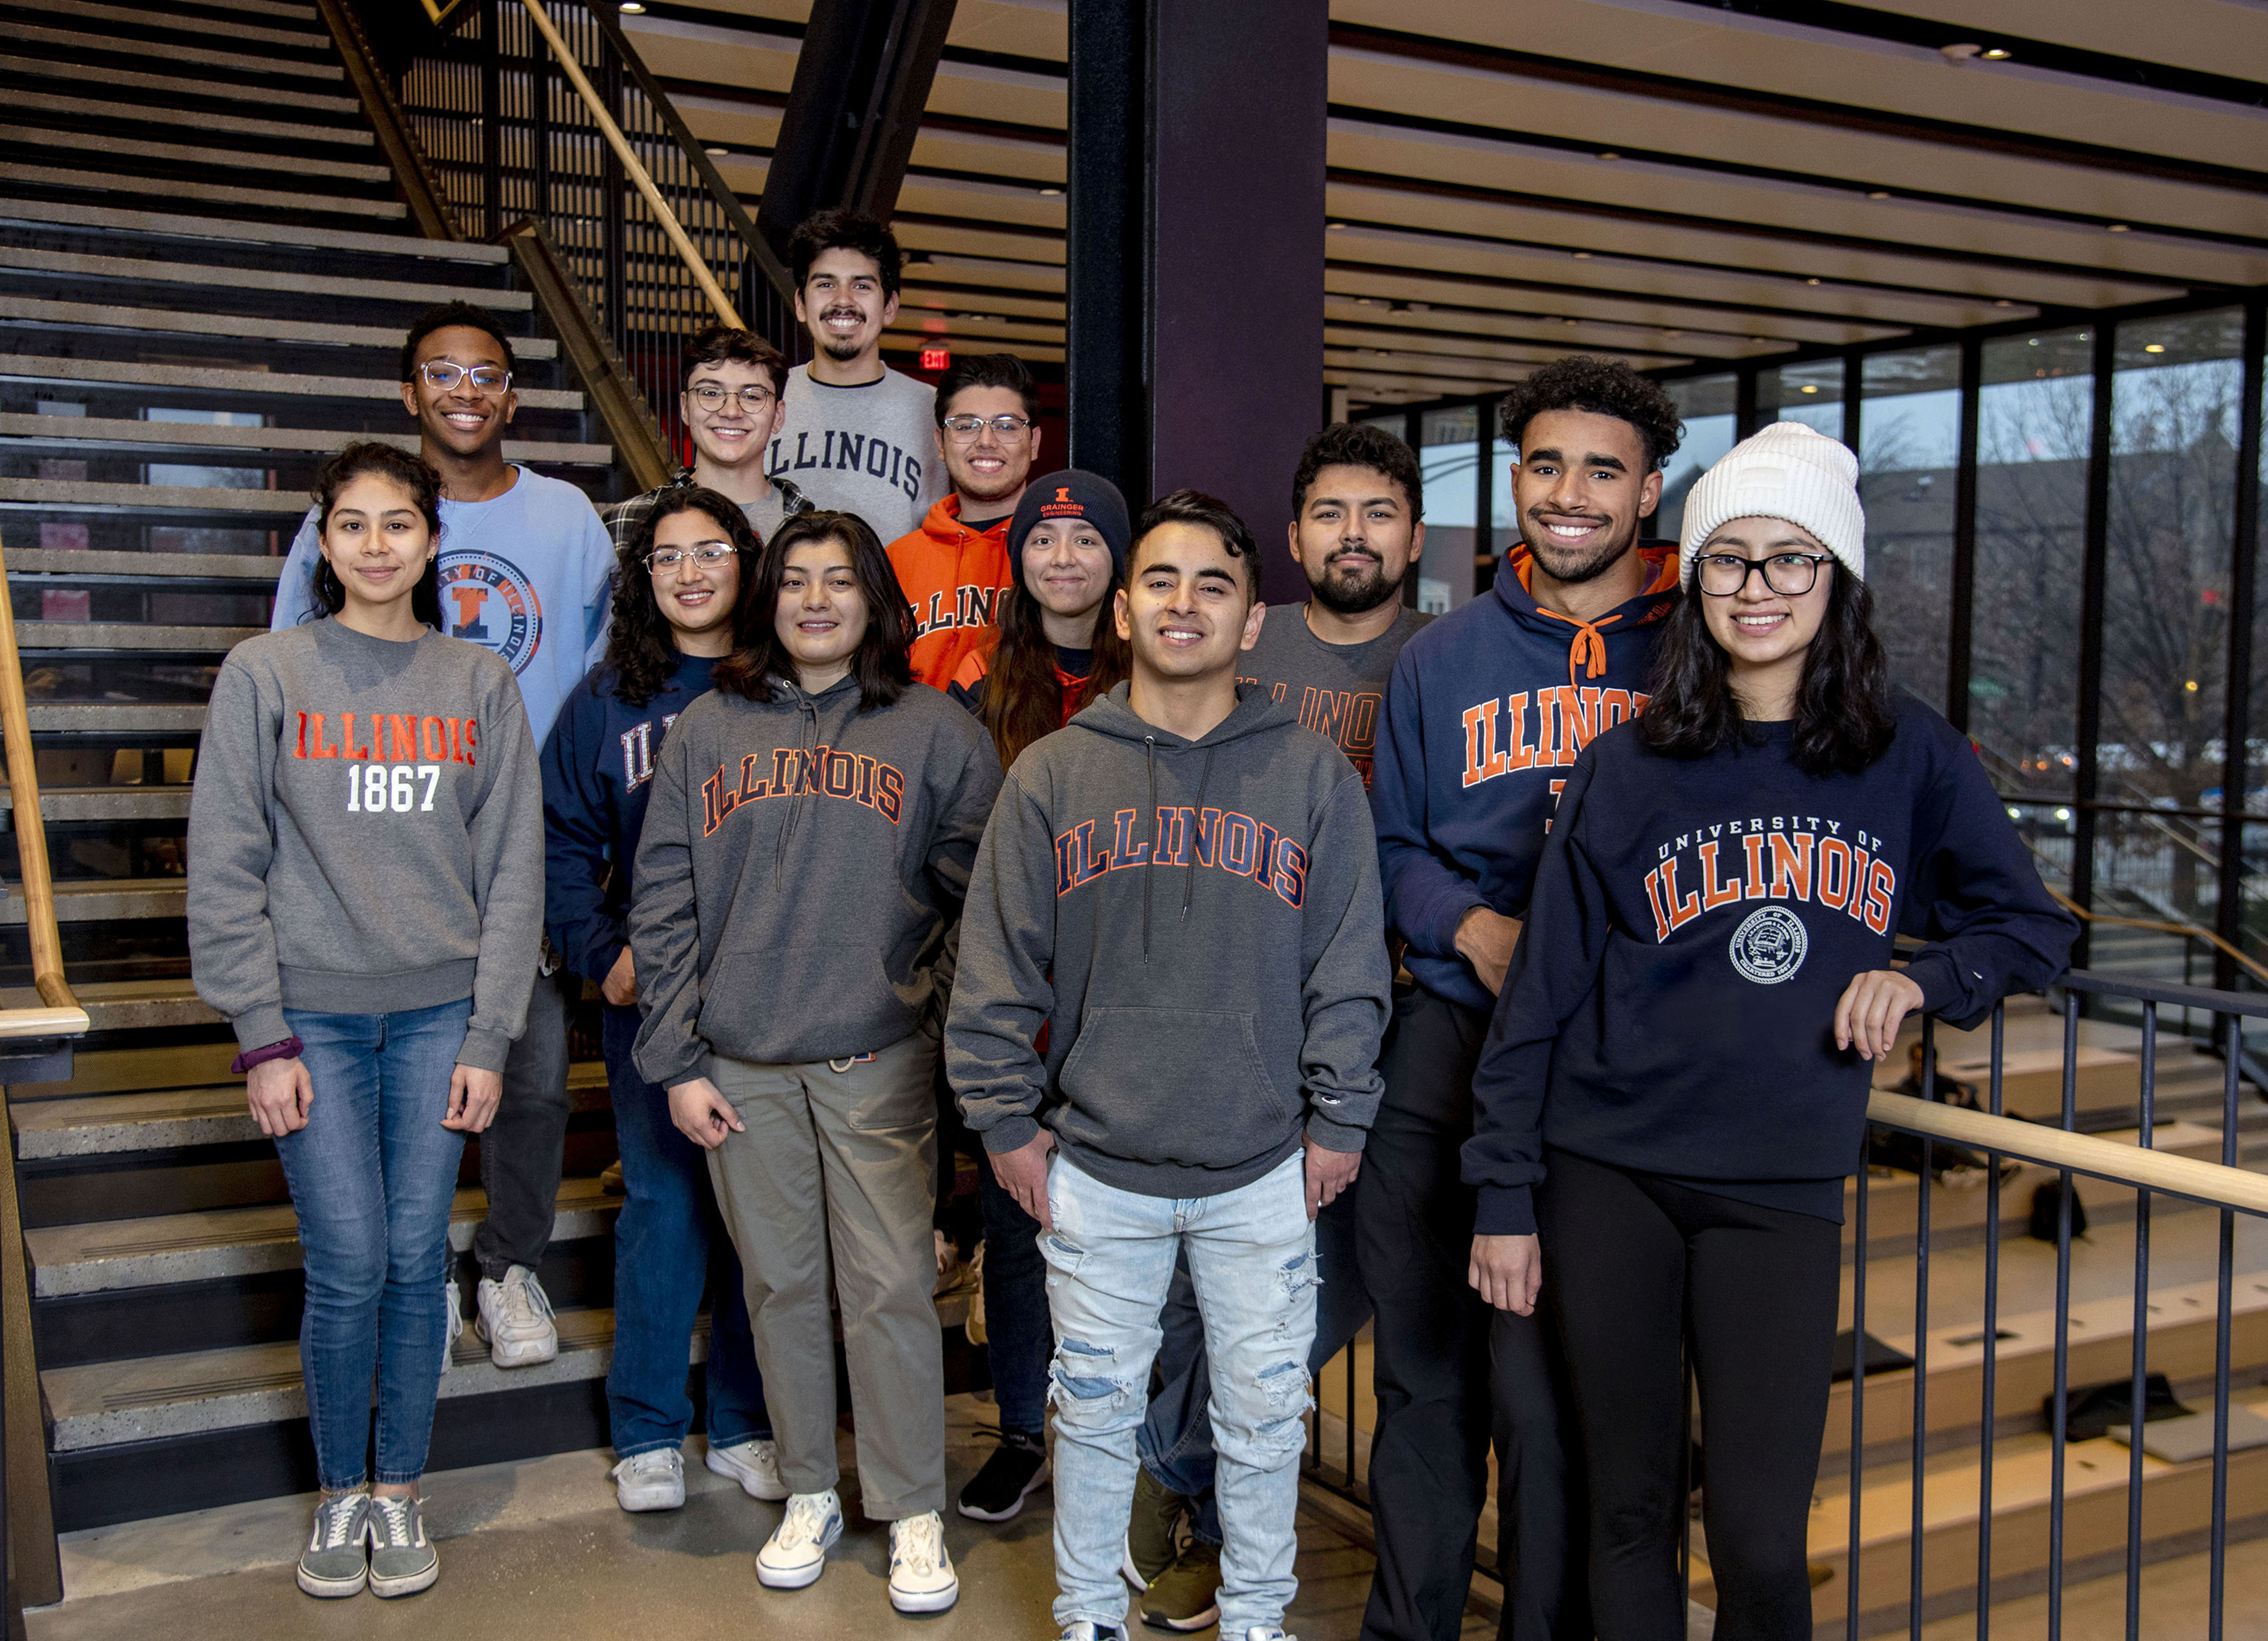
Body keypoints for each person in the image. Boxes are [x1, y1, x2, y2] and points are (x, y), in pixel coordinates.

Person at [1463, 421, 2076, 1640]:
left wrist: (1924, 981)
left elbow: (2032, 927)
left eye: (1788, 559)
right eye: (1727, 559)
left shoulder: (1905, 751)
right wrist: (1500, 1193)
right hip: (1605, 1176)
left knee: (1754, 1536)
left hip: (1777, 1191)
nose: (1756, 588)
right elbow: (1539, 997)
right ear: (1689, 580)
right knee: (1626, 1512)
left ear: (1834, 579)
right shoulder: (1626, 761)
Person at [950, 490, 1392, 1641]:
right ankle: (1085, 1615)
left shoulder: (1305, 777)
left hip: (1260, 1168)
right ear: (1122, 605)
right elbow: (993, 972)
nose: (1183, 603)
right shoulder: (1051, 773)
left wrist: (1339, 1119)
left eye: (1212, 584)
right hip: (1098, 1163)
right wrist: (1003, 1124)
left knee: (1259, 1415)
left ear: (1251, 621)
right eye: (1159, 580)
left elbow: (1346, 963)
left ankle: (1255, 1620)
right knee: (1090, 1412)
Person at [188, 442, 544, 1600]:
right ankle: (341, 1492)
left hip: (442, 1013)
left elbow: (513, 877)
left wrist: (490, 1036)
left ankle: (399, 1494)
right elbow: (225, 862)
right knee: (345, 1261)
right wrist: (261, 1032)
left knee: (409, 1258)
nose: (378, 545)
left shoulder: (477, 683)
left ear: (432, 541)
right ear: (323, 541)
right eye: (354, 524)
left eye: (400, 524)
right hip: (312, 1022)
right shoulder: (265, 672)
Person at [1365, 357, 1686, 1641]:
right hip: (1446, 1044)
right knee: (1425, 1387)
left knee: (1562, 1400)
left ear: (1648, 491)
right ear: (1513, 481)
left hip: (1611, 1069)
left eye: (1600, 470)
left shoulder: (1696, 658)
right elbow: (1387, 850)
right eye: (1544, 466)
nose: (1568, 495)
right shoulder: (1440, 658)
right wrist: (1480, 928)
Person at [631, 511, 1002, 1613]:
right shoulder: (708, 727)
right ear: (769, 599)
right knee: (782, 1285)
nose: (815, 601)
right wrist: (677, 1055)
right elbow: (663, 897)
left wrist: (922, 1017)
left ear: (874, 600)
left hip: (874, 1059)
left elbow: (977, 899)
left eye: (840, 581)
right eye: (794, 581)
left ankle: (911, 1504)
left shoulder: (938, 731)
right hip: (739, 1064)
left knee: (888, 1287)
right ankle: (809, 1487)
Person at [270, 300, 615, 1373]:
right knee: (389, 1087)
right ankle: (393, 1279)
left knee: (536, 1072)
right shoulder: (353, 521)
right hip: (385, 841)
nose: (465, 391)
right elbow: (294, 683)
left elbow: (615, 670)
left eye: (486, 374)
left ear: (510, 395)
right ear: (410, 392)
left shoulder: (566, 516)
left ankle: (508, 1265)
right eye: (442, 373)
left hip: (535, 839)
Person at [1128, 424, 1430, 1630]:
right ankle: (1181, 1487)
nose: (1352, 534)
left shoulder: (1439, 660)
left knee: (1326, 1294)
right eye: (1329, 513)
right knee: (1202, 1283)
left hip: (1395, 1015)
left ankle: (1170, 1468)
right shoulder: (1249, 645)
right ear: (1297, 535)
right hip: (1242, 1007)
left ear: (1412, 534)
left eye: (1377, 512)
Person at [542, 488, 784, 1513]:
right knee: (665, 1207)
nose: (691, 573)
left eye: (712, 552)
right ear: (642, 580)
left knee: (758, 1219)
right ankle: (647, 1427)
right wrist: (602, 954)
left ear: (748, 563)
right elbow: (556, 843)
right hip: (652, 1003)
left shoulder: (785, 686)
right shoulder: (609, 700)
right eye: (667, 557)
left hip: (776, 1004)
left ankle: (742, 1420)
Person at [939, 469, 1129, 1528]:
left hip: (1126, 996)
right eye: (1043, 540)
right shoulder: (980, 678)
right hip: (1020, 997)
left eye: (1086, 539)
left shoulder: (1152, 668)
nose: (1064, 558)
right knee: (1021, 1229)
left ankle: (1128, 1437)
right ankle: (1024, 1430)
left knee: (1135, 1232)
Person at [765, 209, 943, 541]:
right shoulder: (762, 398)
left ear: (889, 307)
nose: (843, 301)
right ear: (801, 304)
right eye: (826, 284)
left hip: (893, 594)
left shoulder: (933, 409)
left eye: (861, 285)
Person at [889, 352, 1046, 689]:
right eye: (965, 426)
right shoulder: (895, 561)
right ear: (940, 443)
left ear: (1034, 442)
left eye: (1006, 426)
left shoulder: (1059, 558)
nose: (986, 442)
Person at [605, 326, 814, 552]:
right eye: (711, 394)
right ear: (685, 408)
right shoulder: (627, 523)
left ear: (778, 416)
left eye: (752, 396)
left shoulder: (812, 530)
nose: (731, 412)